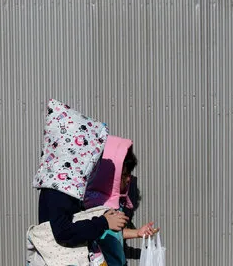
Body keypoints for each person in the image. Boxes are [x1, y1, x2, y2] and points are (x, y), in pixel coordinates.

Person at [31, 100, 129, 264]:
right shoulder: (58, 191)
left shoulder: (64, 187)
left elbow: (72, 221)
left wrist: (102, 218)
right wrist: (104, 222)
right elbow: (63, 233)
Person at [84, 136, 159, 266]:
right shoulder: (91, 205)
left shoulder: (115, 202)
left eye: (129, 174)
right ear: (109, 175)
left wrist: (138, 232)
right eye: (124, 175)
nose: (129, 179)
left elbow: (114, 232)